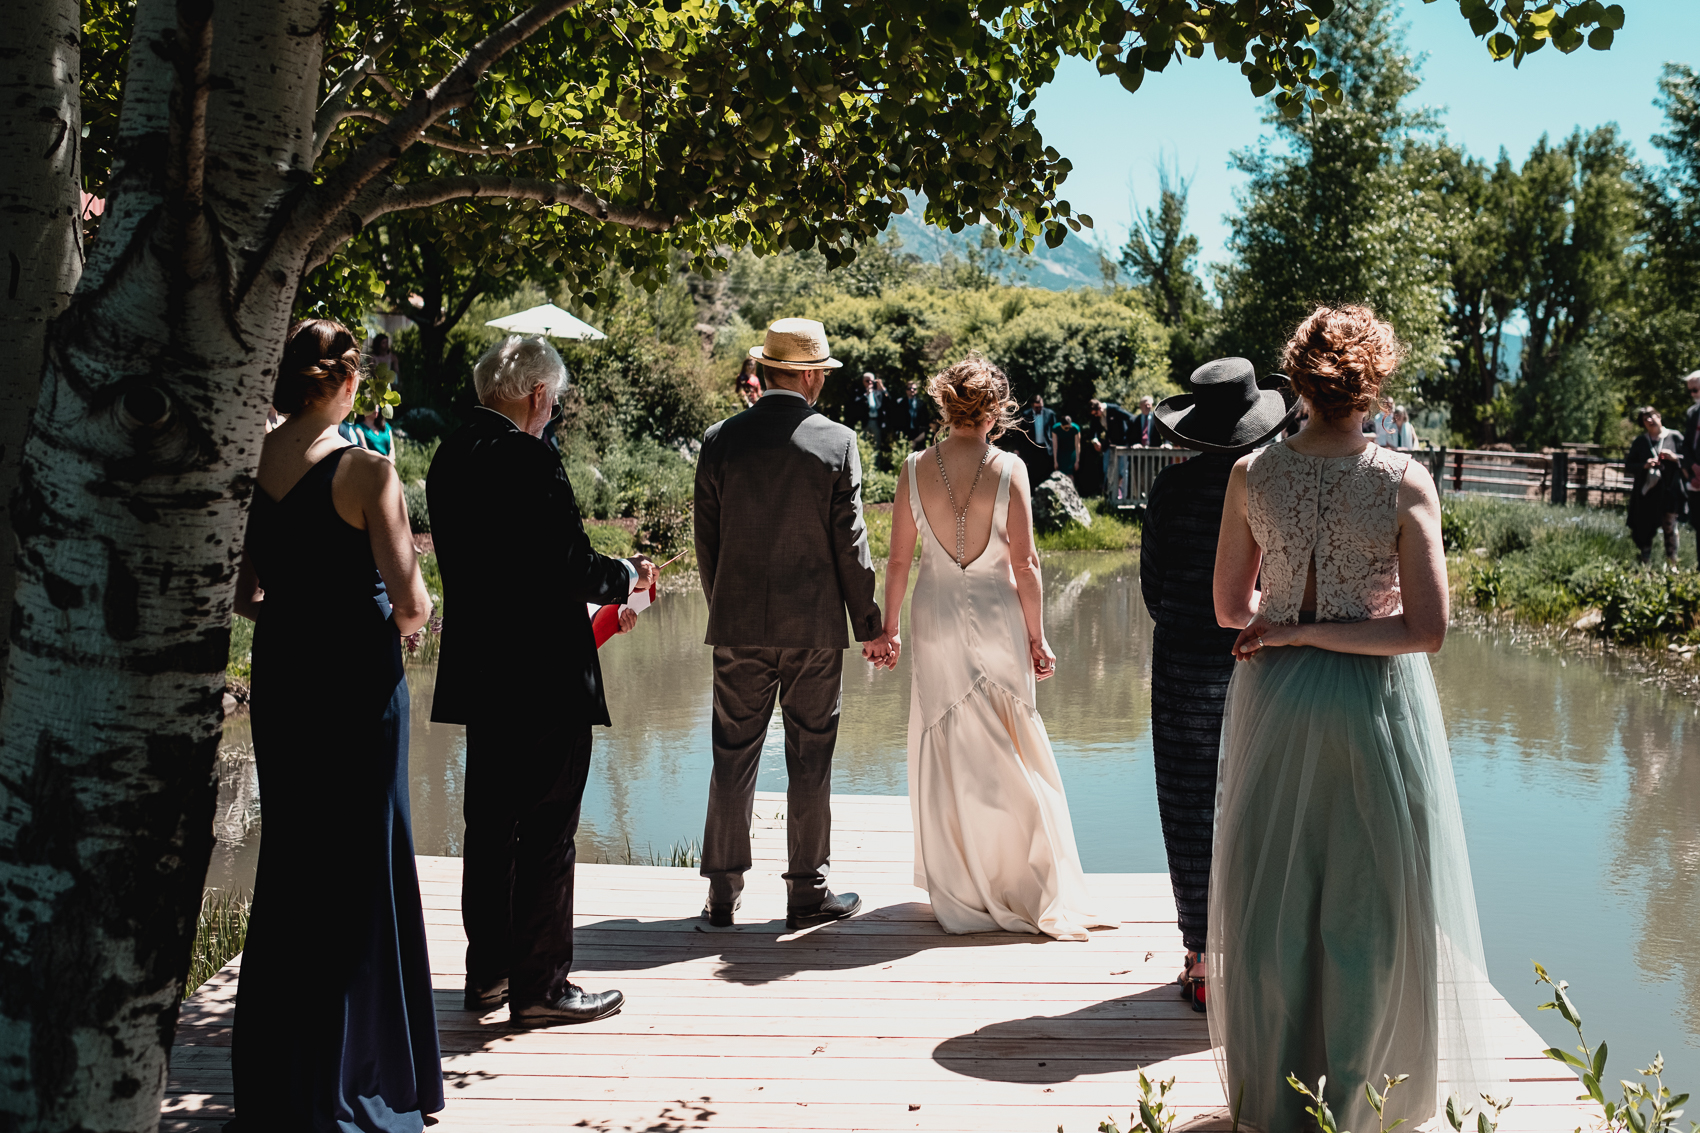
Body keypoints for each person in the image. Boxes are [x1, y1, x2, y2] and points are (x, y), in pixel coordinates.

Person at [1210, 305, 1498, 1132]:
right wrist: (1323, 624)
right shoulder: (1403, 479)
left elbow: (1232, 607)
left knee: (1274, 906)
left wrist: (1289, 623)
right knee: (1368, 915)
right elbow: (1425, 631)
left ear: (1296, 380)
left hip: (1274, 699)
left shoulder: (1252, 474)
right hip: (1374, 705)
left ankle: (1275, 1101)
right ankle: (1359, 1107)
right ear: (1374, 382)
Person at [231, 318, 444, 1131]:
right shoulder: (367, 471)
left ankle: (280, 1082)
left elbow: (245, 594)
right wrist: (391, 616)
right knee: (366, 871)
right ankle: (365, 1081)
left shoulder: (252, 461)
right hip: (358, 686)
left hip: (284, 679)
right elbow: (413, 602)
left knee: (291, 866)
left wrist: (295, 612)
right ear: (349, 384)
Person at [427, 335, 659, 1028]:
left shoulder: (449, 454)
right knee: (550, 828)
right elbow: (573, 565)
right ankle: (542, 985)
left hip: (483, 670)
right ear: (535, 395)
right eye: (552, 399)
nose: (553, 410)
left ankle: (489, 974)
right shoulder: (529, 458)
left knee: (492, 826)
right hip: (546, 673)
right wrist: (627, 575)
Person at [878, 355, 1110, 940]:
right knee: (1013, 743)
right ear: (996, 409)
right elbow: (1025, 564)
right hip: (998, 612)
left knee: (950, 742)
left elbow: (899, 559)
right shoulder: (1010, 469)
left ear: (945, 404)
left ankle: (963, 883)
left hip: (931, 612)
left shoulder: (912, 469)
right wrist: (1039, 635)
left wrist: (890, 628)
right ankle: (1027, 876)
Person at [694, 318, 892, 930]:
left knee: (732, 756)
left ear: (768, 369)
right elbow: (851, 544)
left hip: (738, 625)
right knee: (811, 757)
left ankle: (723, 896)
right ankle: (807, 893)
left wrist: (724, 606)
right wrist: (870, 625)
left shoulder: (720, 439)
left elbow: (709, 541)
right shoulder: (835, 443)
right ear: (808, 376)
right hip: (812, 632)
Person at [1140, 358, 1297, 1013]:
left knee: (1187, 808)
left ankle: (1201, 960)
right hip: (1256, 656)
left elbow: (1153, 590)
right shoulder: (1274, 489)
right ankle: (1261, 951)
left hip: (1181, 664)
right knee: (1259, 803)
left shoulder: (1170, 492)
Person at [1626, 405, 1685, 567]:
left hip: (1669, 491)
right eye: (1645, 419)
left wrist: (1674, 458)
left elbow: (1690, 459)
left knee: (1670, 529)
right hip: (1648, 493)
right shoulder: (1640, 442)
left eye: (1651, 416)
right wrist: (1644, 465)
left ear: (1659, 416)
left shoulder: (1675, 437)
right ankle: (1645, 565)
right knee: (1644, 528)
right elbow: (1629, 465)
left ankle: (1672, 565)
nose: (1650, 420)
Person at [1088, 398, 1137, 499]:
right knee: (1107, 470)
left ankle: (1123, 497)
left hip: (1123, 444)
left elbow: (1132, 418)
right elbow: (1093, 431)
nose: (1096, 416)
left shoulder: (1114, 409)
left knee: (1123, 471)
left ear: (1100, 408)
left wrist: (1130, 438)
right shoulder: (1096, 416)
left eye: (1096, 413)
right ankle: (1109, 496)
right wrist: (1095, 441)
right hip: (1110, 446)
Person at [1680, 372, 1700, 567]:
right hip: (1696, 480)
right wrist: (1692, 468)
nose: (1693, 394)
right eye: (1691, 391)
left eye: (1696, 389)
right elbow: (1686, 447)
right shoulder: (1692, 413)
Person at [887, 378, 930, 447]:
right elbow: (895, 419)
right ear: (906, 390)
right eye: (909, 388)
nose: (912, 390)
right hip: (904, 433)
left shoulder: (921, 404)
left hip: (917, 433)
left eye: (914, 389)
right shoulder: (900, 403)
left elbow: (925, 421)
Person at [856, 371, 886, 449]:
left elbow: (888, 402)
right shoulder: (859, 392)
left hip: (876, 422)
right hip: (864, 422)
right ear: (863, 382)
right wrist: (867, 394)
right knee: (862, 445)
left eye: (871, 381)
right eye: (867, 381)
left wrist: (882, 389)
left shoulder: (878, 393)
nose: (869, 383)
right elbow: (856, 405)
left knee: (876, 445)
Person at [1053, 414, 1082, 481]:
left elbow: (1077, 445)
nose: (1068, 429)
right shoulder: (1055, 428)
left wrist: (1077, 461)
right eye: (1066, 428)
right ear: (1061, 425)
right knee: (1061, 473)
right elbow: (1055, 445)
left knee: (1070, 474)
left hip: (1071, 452)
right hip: (1061, 451)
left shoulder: (1075, 428)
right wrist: (1055, 461)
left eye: (1069, 427)